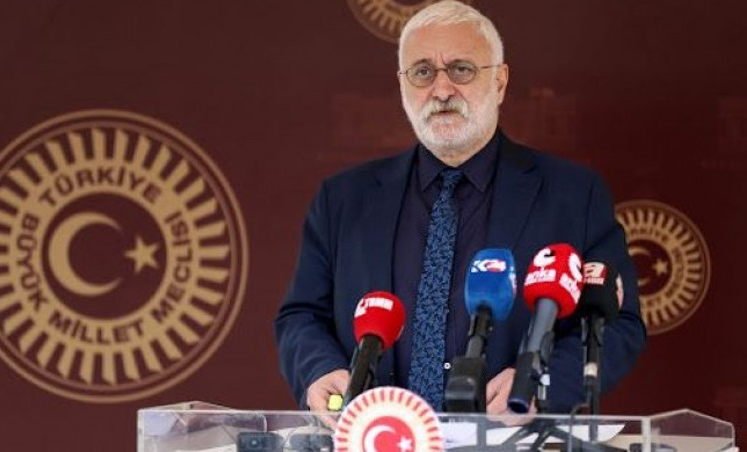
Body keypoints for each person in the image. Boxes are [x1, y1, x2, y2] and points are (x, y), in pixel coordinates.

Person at [274, 0, 645, 415]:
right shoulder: (343, 199)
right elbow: (302, 316)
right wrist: (319, 370)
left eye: (461, 69)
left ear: (499, 82)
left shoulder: (574, 195)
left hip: (509, 438)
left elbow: (617, 323)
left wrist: (540, 383)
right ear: (402, 85)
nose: (442, 90)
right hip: (377, 434)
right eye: (423, 72)